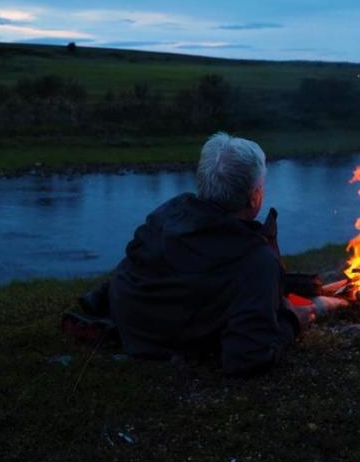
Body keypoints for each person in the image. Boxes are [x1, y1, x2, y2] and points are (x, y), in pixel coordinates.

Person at [78, 132, 344, 376]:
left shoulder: (170, 212)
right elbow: (247, 357)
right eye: (262, 184)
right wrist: (291, 322)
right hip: (163, 340)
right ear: (254, 198)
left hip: (133, 320)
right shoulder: (254, 261)